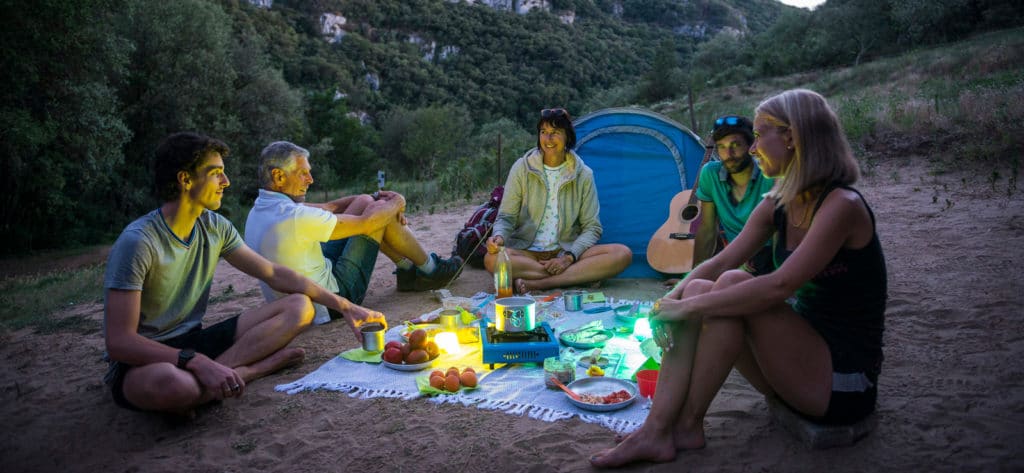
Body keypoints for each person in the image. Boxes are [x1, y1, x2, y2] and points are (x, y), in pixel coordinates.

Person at [590, 89, 887, 467]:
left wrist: (688, 309)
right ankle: (665, 428)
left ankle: (674, 427)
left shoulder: (841, 205)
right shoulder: (779, 201)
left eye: (760, 135)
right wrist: (670, 301)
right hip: (794, 363)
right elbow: (720, 260)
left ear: (792, 137)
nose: (754, 147)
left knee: (729, 287)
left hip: (842, 383)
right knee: (703, 285)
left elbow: (779, 285)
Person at [103, 132, 385, 415]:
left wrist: (345, 306)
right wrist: (195, 361)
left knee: (300, 307)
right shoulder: (139, 242)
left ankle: (219, 375)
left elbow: (274, 273)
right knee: (175, 385)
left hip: (194, 340)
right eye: (216, 174)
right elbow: (119, 342)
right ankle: (251, 371)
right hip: (144, 361)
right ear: (185, 180)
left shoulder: (215, 226)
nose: (226, 182)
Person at [245, 141, 462, 325]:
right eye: (303, 173)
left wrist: (374, 197)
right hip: (330, 302)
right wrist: (397, 202)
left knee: (367, 202)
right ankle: (431, 270)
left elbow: (329, 207)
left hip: (305, 289)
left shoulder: (261, 209)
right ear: (279, 177)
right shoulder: (294, 216)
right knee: (378, 213)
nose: (310, 179)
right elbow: (367, 224)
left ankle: (406, 270)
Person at [484, 108, 632, 294]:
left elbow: (592, 227)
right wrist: (499, 237)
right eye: (543, 132)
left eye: (555, 132)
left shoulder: (583, 175)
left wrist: (568, 258)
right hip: (527, 252)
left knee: (622, 254)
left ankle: (537, 283)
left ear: (567, 136)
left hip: (566, 251)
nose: (548, 138)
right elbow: (506, 217)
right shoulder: (522, 168)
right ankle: (575, 276)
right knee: (491, 260)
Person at [692, 115, 776, 275]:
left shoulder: (770, 175)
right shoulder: (710, 173)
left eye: (735, 145)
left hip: (770, 255)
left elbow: (781, 231)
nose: (728, 154)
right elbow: (707, 229)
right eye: (721, 147)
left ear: (751, 145)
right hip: (734, 258)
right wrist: (693, 276)